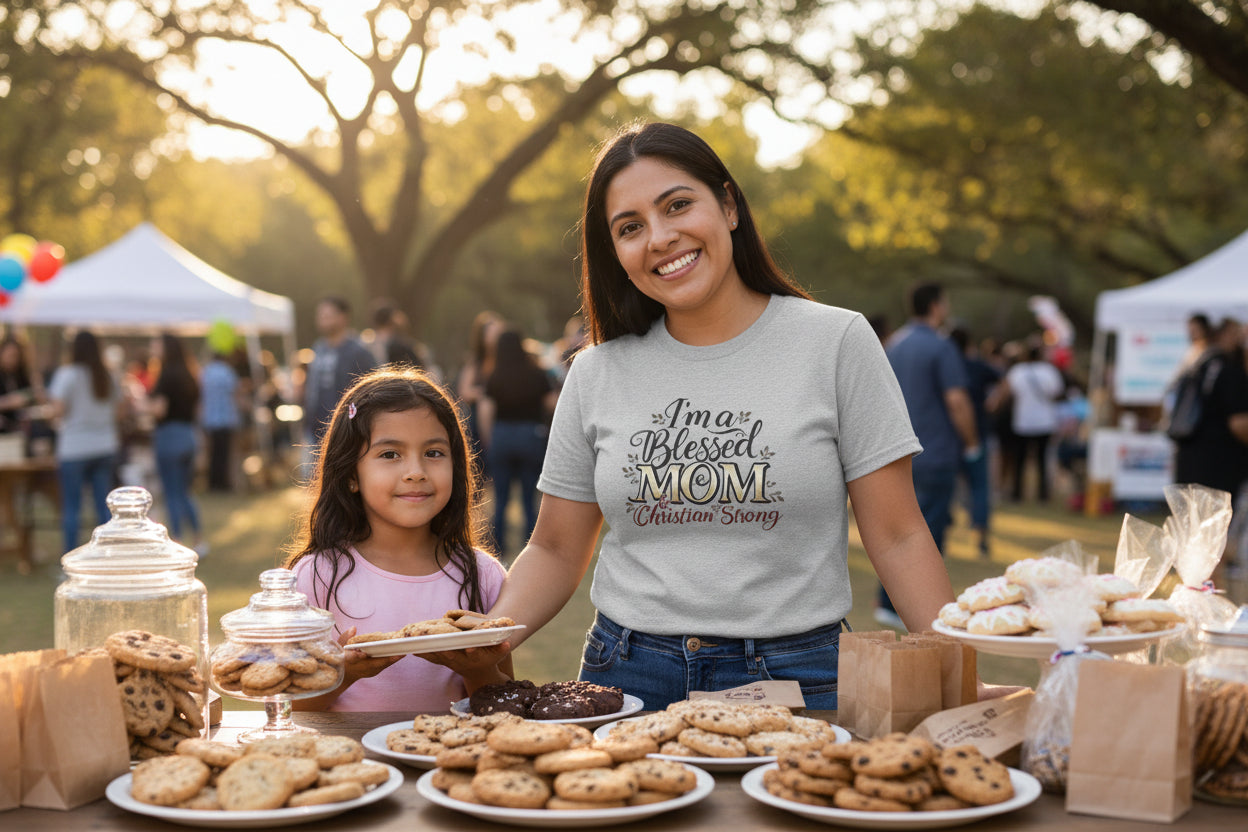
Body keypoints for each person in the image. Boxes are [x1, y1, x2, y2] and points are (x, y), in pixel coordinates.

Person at [429, 123, 973, 709]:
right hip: (628, 675)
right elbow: (557, 549)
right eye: (630, 227)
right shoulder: (594, 373)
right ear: (614, 251)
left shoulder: (836, 341)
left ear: (730, 206)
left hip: (802, 675)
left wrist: (957, 676)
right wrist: (492, 635)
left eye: (678, 205)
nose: (660, 237)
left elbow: (898, 535)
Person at [284, 366, 509, 711]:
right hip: (351, 762)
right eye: (390, 454)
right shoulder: (315, 576)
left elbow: (507, 704)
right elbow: (291, 707)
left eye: (434, 453)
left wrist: (477, 670)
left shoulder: (483, 575)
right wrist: (345, 673)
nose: (416, 472)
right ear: (350, 475)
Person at [881, 283, 979, 625]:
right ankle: (913, 606)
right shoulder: (941, 347)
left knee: (892, 527)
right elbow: (956, 400)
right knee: (927, 529)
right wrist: (971, 442)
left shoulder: (893, 344)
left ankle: (887, 602)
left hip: (892, 451)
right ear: (937, 306)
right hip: (934, 449)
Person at [1172, 317, 1248, 585]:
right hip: (1220, 466)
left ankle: (1196, 599)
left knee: (1196, 539)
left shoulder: (1198, 362)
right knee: (1215, 542)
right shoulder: (1230, 370)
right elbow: (1239, 423)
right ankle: (1210, 607)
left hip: (1190, 459)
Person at [480, 329, 558, 554]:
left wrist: (489, 439)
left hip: (502, 435)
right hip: (529, 435)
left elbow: (486, 409)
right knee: (529, 497)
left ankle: (497, 547)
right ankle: (531, 548)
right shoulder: (536, 373)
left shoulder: (495, 375)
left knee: (501, 497)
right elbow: (552, 403)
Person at [47, 330, 123, 553]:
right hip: (105, 445)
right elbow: (120, 411)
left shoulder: (67, 374)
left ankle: (69, 559)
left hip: (74, 448)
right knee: (103, 508)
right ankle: (105, 557)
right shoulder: (107, 375)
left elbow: (57, 411)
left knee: (72, 508)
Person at [149, 334, 205, 552]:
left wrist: (142, 406)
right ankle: (199, 540)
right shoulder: (190, 374)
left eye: (157, 343)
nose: (153, 347)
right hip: (189, 435)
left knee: (171, 492)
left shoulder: (166, 375)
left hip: (169, 436)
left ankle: (177, 542)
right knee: (185, 491)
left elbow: (160, 410)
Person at [950, 326, 1001, 558]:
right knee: (979, 488)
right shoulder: (977, 366)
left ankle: (941, 538)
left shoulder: (946, 365)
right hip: (976, 435)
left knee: (945, 490)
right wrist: (993, 402)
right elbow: (1005, 380)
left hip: (948, 437)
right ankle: (980, 537)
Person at [303, 296, 377, 445]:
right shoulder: (319, 348)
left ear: (343, 317)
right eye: (320, 315)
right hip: (316, 429)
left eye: (328, 316)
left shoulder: (358, 352)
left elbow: (370, 391)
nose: (322, 320)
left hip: (346, 430)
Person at [999, 337, 1065, 503]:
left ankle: (1017, 494)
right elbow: (1057, 393)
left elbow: (1006, 393)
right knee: (1042, 460)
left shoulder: (1017, 371)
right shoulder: (1049, 371)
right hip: (1045, 421)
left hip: (1023, 421)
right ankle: (1043, 495)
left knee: (1019, 460)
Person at [455, 310, 505, 481]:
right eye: (489, 332)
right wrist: (483, 394)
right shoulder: (475, 362)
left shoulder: (509, 360)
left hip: (503, 417)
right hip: (478, 420)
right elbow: (464, 391)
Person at [200, 346, 242, 492]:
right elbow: (236, 392)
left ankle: (213, 483)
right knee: (224, 453)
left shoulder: (206, 372)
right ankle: (224, 483)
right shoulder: (227, 372)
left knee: (212, 453)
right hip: (226, 418)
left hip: (210, 418)